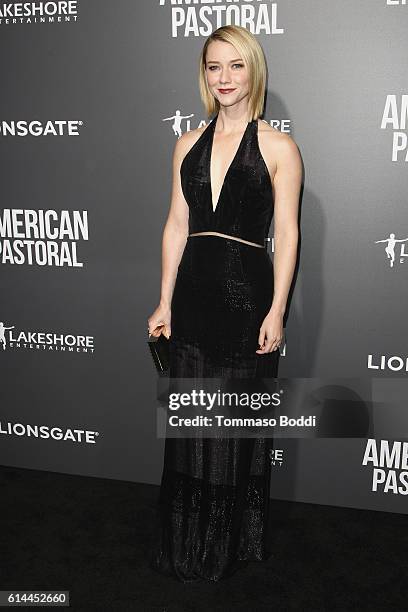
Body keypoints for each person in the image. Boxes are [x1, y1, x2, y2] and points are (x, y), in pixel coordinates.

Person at [147, 25, 302, 582]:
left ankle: (228, 545)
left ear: (253, 72)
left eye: (236, 66)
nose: (225, 78)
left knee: (233, 423)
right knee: (190, 420)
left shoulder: (280, 147)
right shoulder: (186, 143)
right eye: (215, 67)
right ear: (204, 75)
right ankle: (184, 543)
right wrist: (163, 299)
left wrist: (277, 308)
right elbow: (175, 225)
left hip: (246, 296)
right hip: (191, 295)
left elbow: (287, 233)